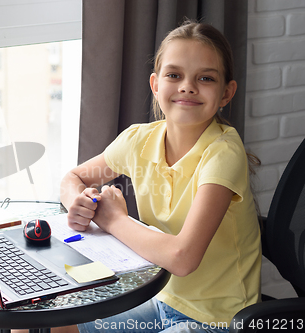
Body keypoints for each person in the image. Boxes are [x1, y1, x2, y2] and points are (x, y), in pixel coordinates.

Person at [59, 20, 261, 333]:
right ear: (156, 85)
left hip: (218, 319)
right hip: (159, 299)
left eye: (205, 78)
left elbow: (183, 258)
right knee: (48, 322)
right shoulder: (138, 141)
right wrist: (79, 202)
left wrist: (112, 220)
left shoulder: (223, 154)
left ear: (226, 93)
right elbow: (75, 177)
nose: (187, 86)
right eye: (174, 75)